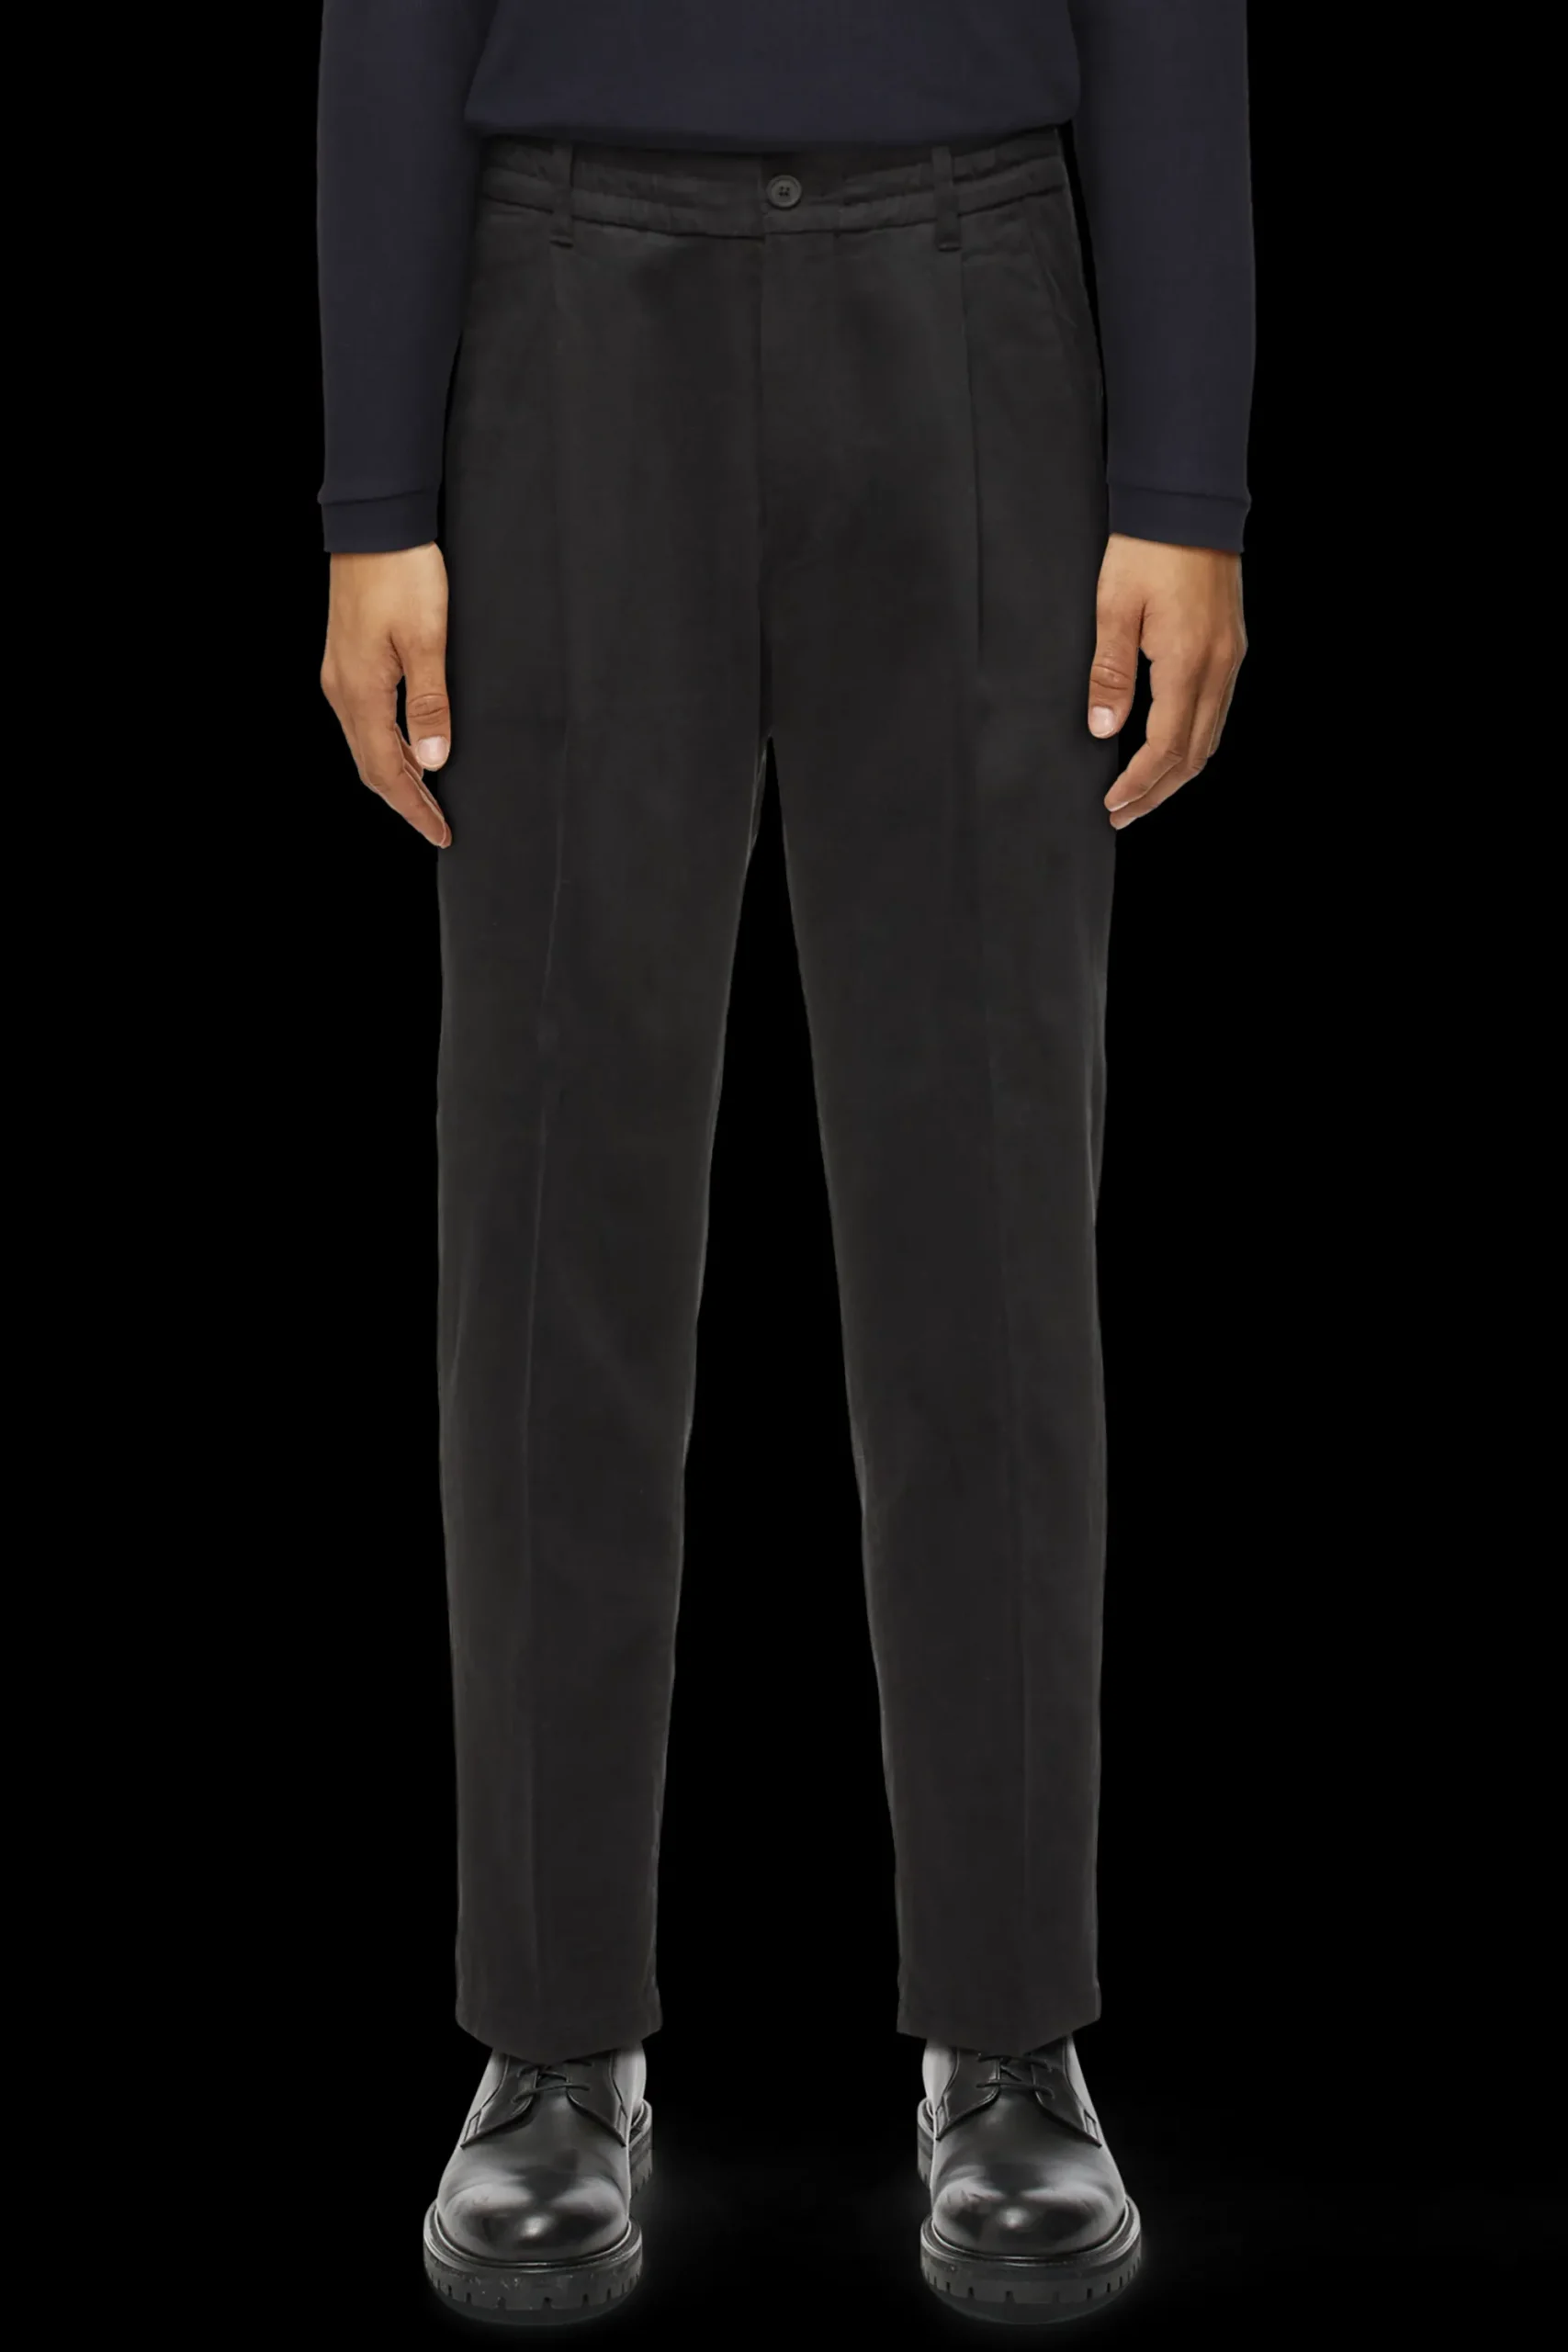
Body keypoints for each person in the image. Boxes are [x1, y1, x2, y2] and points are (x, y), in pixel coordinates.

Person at [316, 3, 1251, 2328]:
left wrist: (1188, 472)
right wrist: (372, 493)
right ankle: (550, 2037)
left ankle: (1009, 2032)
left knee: (987, 1216)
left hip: (972, 279)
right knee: (551, 1215)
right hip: (565, 294)